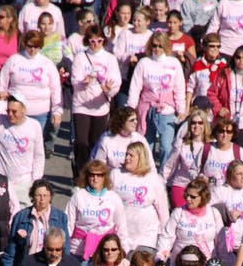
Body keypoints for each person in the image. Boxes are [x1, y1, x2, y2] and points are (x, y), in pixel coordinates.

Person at [127, 32, 186, 169]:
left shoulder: (174, 63)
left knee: (166, 146)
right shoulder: (144, 63)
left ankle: (164, 177)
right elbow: (135, 87)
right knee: (147, 145)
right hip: (146, 108)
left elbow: (179, 88)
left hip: (167, 109)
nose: (157, 49)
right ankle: (146, 173)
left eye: (160, 46)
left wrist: (181, 109)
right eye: (154, 46)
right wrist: (131, 108)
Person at [71, 24, 121, 173]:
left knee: (95, 143)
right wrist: (83, 83)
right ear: (87, 41)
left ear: (103, 41)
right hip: (82, 104)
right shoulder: (81, 57)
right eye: (92, 41)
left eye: (99, 41)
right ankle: (80, 173)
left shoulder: (110, 58)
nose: (96, 44)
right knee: (81, 142)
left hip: (101, 106)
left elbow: (116, 81)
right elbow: (75, 80)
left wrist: (109, 90)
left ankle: (92, 173)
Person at [2, 178, 69, 266]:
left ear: (50, 196)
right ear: (32, 196)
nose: (42, 199)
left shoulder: (61, 217)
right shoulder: (21, 217)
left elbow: (66, 247)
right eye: (38, 195)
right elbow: (12, 247)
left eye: (45, 195)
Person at [66, 160, 128, 264]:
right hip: (78, 250)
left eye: (99, 175)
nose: (95, 178)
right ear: (87, 176)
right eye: (92, 175)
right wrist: (64, 248)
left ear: (105, 177)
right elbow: (68, 224)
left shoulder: (113, 198)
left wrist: (124, 250)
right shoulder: (78, 196)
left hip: (105, 251)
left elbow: (121, 226)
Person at [112, 142, 170, 251]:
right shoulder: (116, 174)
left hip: (146, 237)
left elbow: (163, 211)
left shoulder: (153, 179)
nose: (127, 158)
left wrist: (165, 241)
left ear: (140, 157)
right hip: (121, 234)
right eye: (126, 155)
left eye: (131, 155)